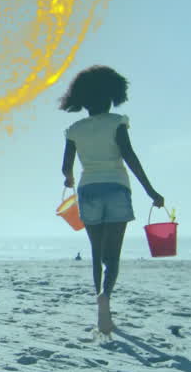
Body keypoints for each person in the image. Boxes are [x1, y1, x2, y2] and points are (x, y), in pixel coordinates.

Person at [59, 65, 164, 337]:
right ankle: (106, 295)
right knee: (112, 256)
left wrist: (69, 179)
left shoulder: (74, 130)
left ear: (83, 100)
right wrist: (151, 191)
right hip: (116, 188)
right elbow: (130, 157)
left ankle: (100, 309)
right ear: (111, 96)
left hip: (88, 190)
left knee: (96, 253)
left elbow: (66, 168)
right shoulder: (117, 122)